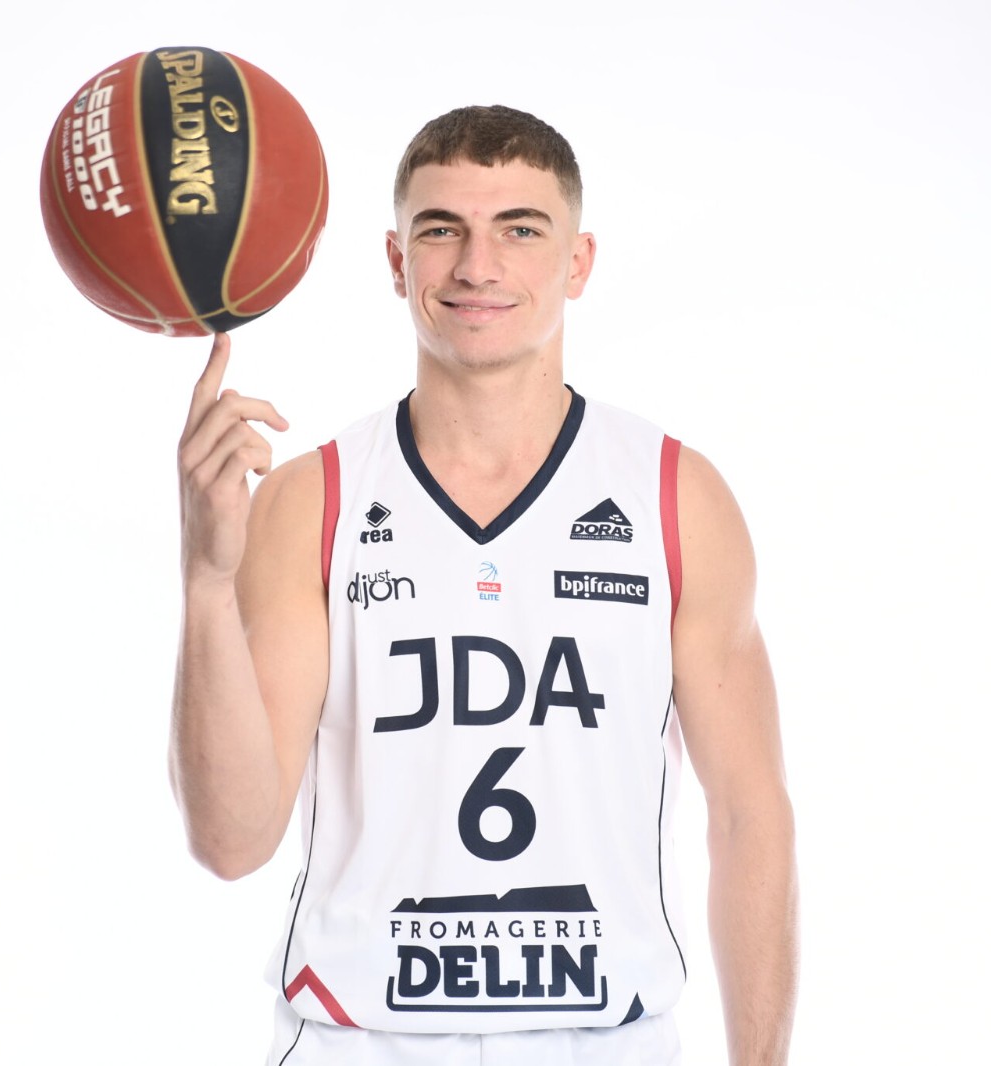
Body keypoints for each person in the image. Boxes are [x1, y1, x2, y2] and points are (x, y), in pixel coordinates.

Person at [171, 105, 797, 1065]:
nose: (477, 265)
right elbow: (232, 840)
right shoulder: (313, 501)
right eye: (441, 230)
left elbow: (752, 817)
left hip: (605, 1041)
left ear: (579, 262)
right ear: (396, 262)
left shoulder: (675, 496)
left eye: (520, 229)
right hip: (361, 1042)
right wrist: (206, 583)